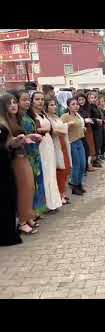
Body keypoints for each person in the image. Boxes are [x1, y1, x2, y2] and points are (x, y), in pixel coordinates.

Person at [1, 93, 42, 237]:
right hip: (16, 159)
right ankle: (23, 222)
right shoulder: (3, 122)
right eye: (9, 103)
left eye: (14, 102)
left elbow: (19, 138)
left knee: (30, 188)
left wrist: (29, 137)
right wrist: (18, 140)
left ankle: (27, 217)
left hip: (23, 155)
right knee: (25, 189)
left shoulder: (15, 118)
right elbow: (7, 143)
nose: (13, 105)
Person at [29, 91, 63, 212]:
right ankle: (44, 204)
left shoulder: (43, 113)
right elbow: (31, 130)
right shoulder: (31, 116)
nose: (40, 101)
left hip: (49, 144)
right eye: (37, 99)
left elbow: (51, 129)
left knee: (51, 173)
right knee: (44, 174)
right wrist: (42, 129)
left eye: (42, 99)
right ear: (32, 101)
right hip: (40, 146)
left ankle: (54, 202)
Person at [0, 107, 25, 245]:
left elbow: (6, 143)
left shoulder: (4, 121)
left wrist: (13, 143)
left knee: (9, 198)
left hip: (5, 164)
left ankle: (9, 232)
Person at [21, 91, 48, 220]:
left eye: (27, 100)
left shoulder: (28, 116)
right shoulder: (20, 118)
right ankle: (31, 213)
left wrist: (38, 133)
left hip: (35, 152)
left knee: (37, 182)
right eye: (24, 100)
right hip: (28, 154)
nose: (27, 102)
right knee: (31, 185)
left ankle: (36, 210)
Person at [45, 95, 72, 205]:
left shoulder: (56, 117)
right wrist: (65, 127)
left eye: (55, 104)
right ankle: (60, 195)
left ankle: (63, 193)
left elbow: (61, 129)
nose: (54, 106)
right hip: (56, 145)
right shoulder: (47, 118)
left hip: (63, 144)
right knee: (59, 171)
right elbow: (54, 131)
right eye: (51, 105)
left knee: (65, 170)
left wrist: (63, 128)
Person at [61, 98, 86, 196]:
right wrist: (68, 124)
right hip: (72, 142)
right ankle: (75, 186)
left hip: (80, 141)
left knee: (83, 165)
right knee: (76, 165)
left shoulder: (78, 115)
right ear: (68, 106)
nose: (76, 106)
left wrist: (82, 128)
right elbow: (60, 126)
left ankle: (79, 184)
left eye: (77, 104)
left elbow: (80, 125)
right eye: (73, 104)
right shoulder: (65, 116)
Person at [77, 92, 99, 170]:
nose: (81, 101)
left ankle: (89, 164)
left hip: (88, 129)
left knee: (90, 146)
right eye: (79, 100)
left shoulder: (87, 107)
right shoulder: (77, 109)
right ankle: (87, 165)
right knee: (85, 147)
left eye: (83, 99)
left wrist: (91, 120)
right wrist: (85, 120)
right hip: (82, 131)